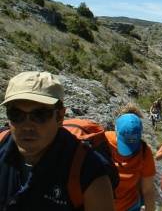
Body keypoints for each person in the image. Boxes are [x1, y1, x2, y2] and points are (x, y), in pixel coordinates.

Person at [0, 71, 115, 211]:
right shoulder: (1, 145)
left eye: (40, 114)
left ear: (60, 117)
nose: (27, 125)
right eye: (16, 114)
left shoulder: (87, 171)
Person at [105, 107, 156, 211]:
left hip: (130, 207)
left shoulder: (145, 152)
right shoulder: (102, 142)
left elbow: (148, 190)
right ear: (116, 130)